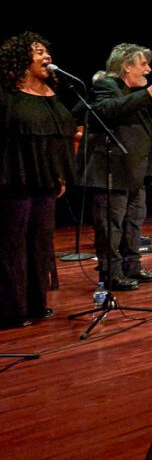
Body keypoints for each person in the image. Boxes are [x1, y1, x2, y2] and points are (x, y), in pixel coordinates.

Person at [0, 32, 76, 328]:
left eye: (47, 50)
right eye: (38, 51)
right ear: (21, 59)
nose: (47, 56)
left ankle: (35, 304)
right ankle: (10, 310)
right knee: (11, 245)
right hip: (11, 178)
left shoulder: (50, 95)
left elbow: (57, 139)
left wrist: (58, 174)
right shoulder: (6, 94)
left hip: (44, 180)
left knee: (40, 242)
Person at [79, 43, 152, 290]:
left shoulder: (132, 93)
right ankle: (111, 274)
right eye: (143, 64)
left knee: (133, 223)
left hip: (134, 173)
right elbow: (105, 110)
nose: (148, 70)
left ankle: (133, 267)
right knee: (111, 226)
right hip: (111, 171)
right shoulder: (106, 86)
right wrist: (146, 95)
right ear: (126, 66)